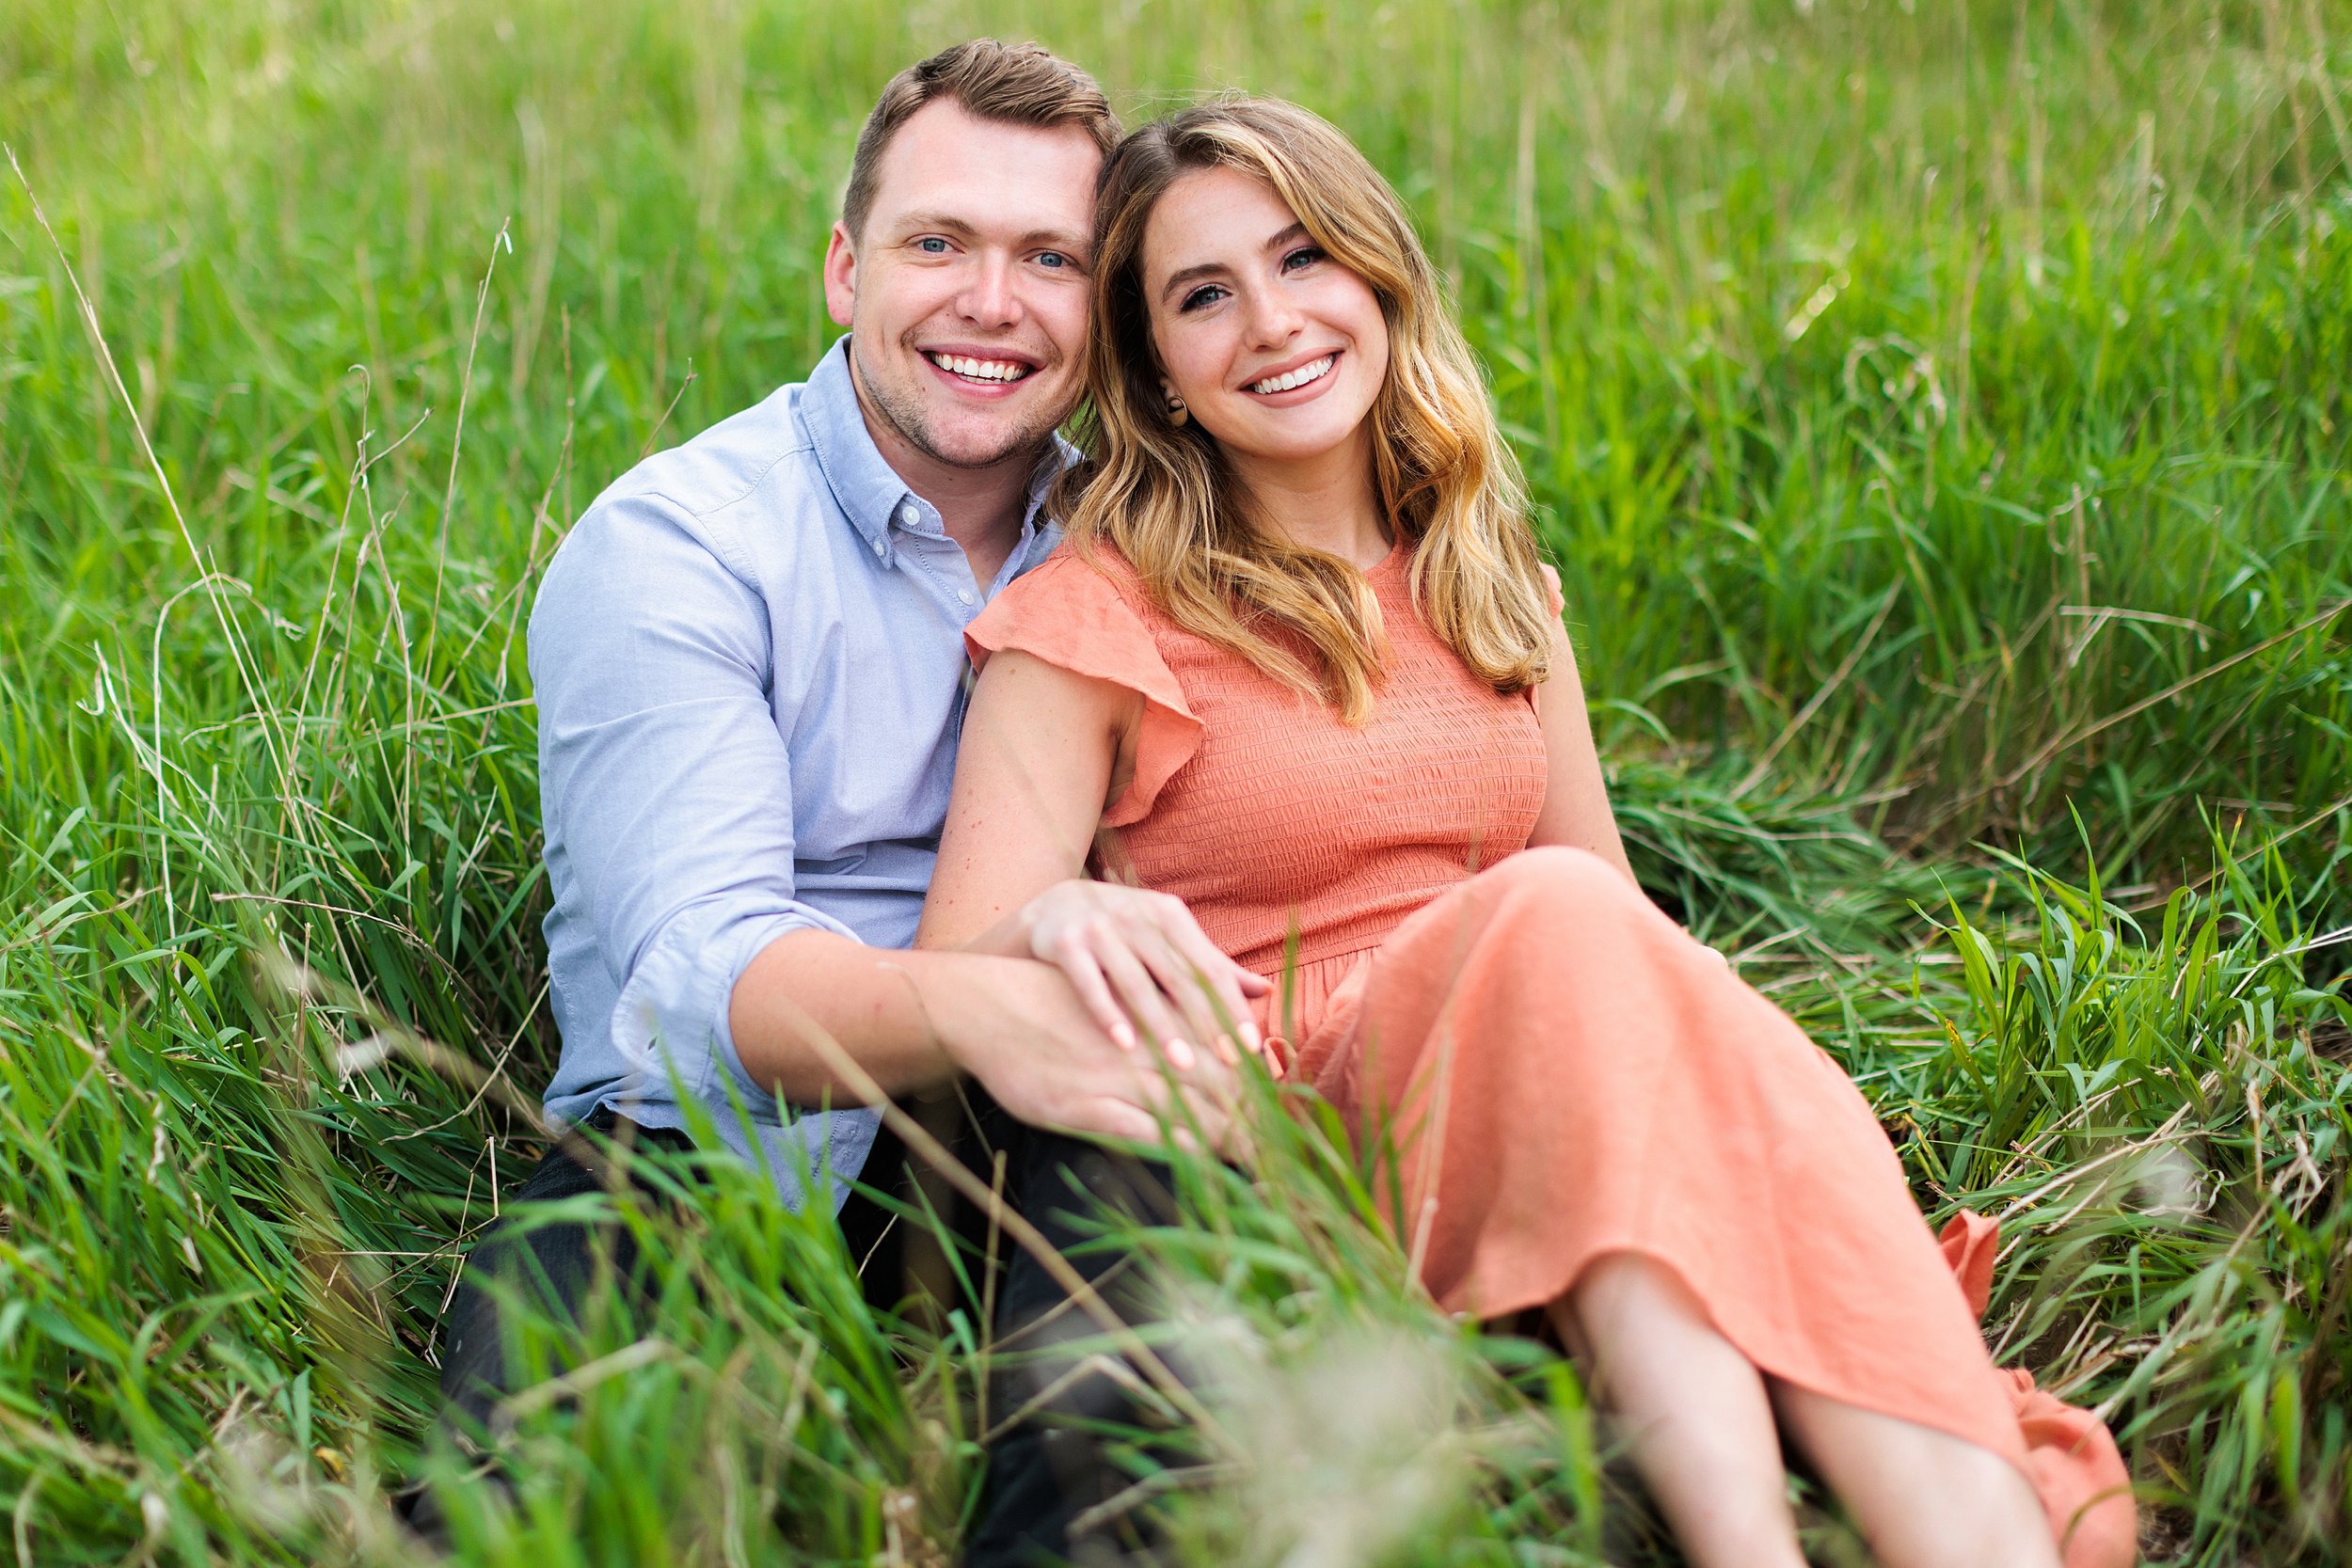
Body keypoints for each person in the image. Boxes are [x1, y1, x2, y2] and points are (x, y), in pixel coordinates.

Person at [917, 98, 2138, 1568]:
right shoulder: (1098, 612)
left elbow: (1622, 930)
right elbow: (960, 968)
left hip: (1549, 1066)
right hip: (1305, 1119)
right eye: (1202, 296)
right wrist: (1054, 917)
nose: (1271, 321)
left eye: (1305, 259)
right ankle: (1749, 1541)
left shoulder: (1492, 585)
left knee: (1607, 965)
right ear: (1162, 375)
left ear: (1379, 278)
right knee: (1560, 920)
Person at [428, 41, 1266, 1564]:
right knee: (512, 1508)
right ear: (844, 268)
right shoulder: (681, 545)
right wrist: (982, 999)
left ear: (1108, 309)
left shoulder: (1140, 540)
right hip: (690, 1150)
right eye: (937, 242)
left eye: (1051, 260)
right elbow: (703, 982)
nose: (988, 303)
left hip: (1026, 1126)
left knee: (1129, 1308)